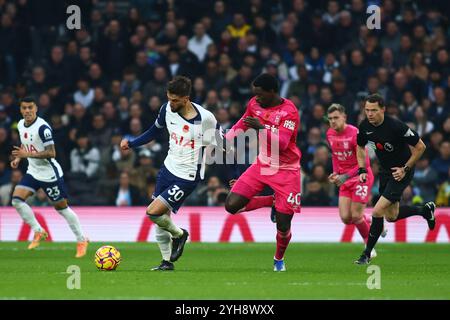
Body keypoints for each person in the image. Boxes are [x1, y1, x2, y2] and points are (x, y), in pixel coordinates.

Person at [120, 76, 225, 271]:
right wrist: (132, 143)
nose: (171, 103)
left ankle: (179, 234)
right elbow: (154, 131)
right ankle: (166, 262)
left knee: (153, 212)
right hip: (167, 169)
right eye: (169, 98)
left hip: (187, 176)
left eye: (175, 100)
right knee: (160, 220)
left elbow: (223, 145)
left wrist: (234, 175)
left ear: (186, 99)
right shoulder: (166, 109)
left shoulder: (205, 118)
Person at [224, 73, 301, 272]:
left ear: (272, 92)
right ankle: (270, 201)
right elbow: (243, 122)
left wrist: (262, 127)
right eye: (254, 94)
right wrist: (227, 138)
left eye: (260, 94)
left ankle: (278, 259)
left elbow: (283, 144)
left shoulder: (289, 111)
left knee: (283, 226)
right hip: (262, 164)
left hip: (287, 170)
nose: (256, 98)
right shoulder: (254, 104)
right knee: (231, 205)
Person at [354, 94, 436, 265]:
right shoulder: (364, 126)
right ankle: (425, 211)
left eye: (374, 110)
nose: (369, 114)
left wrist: (405, 168)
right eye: (367, 110)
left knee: (377, 211)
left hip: (402, 171)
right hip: (385, 172)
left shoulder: (396, 126)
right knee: (391, 216)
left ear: (383, 109)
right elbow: (360, 147)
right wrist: (362, 168)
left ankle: (366, 254)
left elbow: (421, 147)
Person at [10, 97, 89, 257]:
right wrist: (19, 157)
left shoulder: (43, 128)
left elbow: (51, 153)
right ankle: (38, 231)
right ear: (20, 110)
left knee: (62, 208)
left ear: (36, 108)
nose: (27, 111)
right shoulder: (20, 124)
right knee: (17, 200)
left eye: (30, 107)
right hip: (33, 171)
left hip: (49, 174)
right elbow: (26, 143)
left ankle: (82, 239)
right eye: (24, 108)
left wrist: (27, 154)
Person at [326, 103, 387, 259]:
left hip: (361, 177)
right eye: (330, 118)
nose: (333, 121)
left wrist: (344, 176)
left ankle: (368, 246)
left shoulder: (355, 133)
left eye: (336, 118)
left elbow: (365, 164)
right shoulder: (330, 134)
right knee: (346, 218)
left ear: (344, 117)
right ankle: (376, 224)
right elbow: (334, 154)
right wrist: (335, 172)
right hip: (344, 179)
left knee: (356, 216)